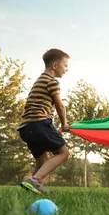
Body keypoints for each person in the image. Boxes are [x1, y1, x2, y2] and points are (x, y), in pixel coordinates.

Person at [19, 49, 71, 194]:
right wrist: (64, 124)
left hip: (26, 127)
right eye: (65, 65)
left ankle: (36, 187)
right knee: (63, 152)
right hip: (39, 123)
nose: (67, 69)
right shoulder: (52, 81)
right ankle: (34, 180)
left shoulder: (40, 80)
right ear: (55, 65)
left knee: (42, 159)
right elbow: (60, 105)